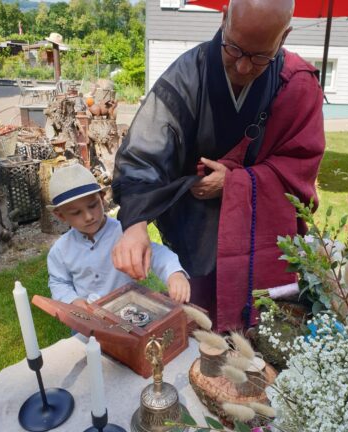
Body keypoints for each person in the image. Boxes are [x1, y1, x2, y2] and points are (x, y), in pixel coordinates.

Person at [111, 0, 325, 331]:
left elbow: (299, 168)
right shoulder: (187, 74)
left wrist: (236, 182)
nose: (242, 67)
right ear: (224, 18)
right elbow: (146, 148)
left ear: (284, 37)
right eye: (234, 49)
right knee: (199, 327)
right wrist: (136, 223)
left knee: (260, 331)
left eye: (259, 57)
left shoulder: (295, 83)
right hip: (197, 229)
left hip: (259, 234)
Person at [47, 163, 190, 309]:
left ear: (102, 198)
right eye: (76, 213)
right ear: (60, 215)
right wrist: (73, 300)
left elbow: (156, 253)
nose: (88, 216)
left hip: (127, 312)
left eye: (92, 205)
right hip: (87, 318)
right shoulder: (60, 250)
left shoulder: (124, 233)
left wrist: (174, 273)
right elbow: (59, 282)